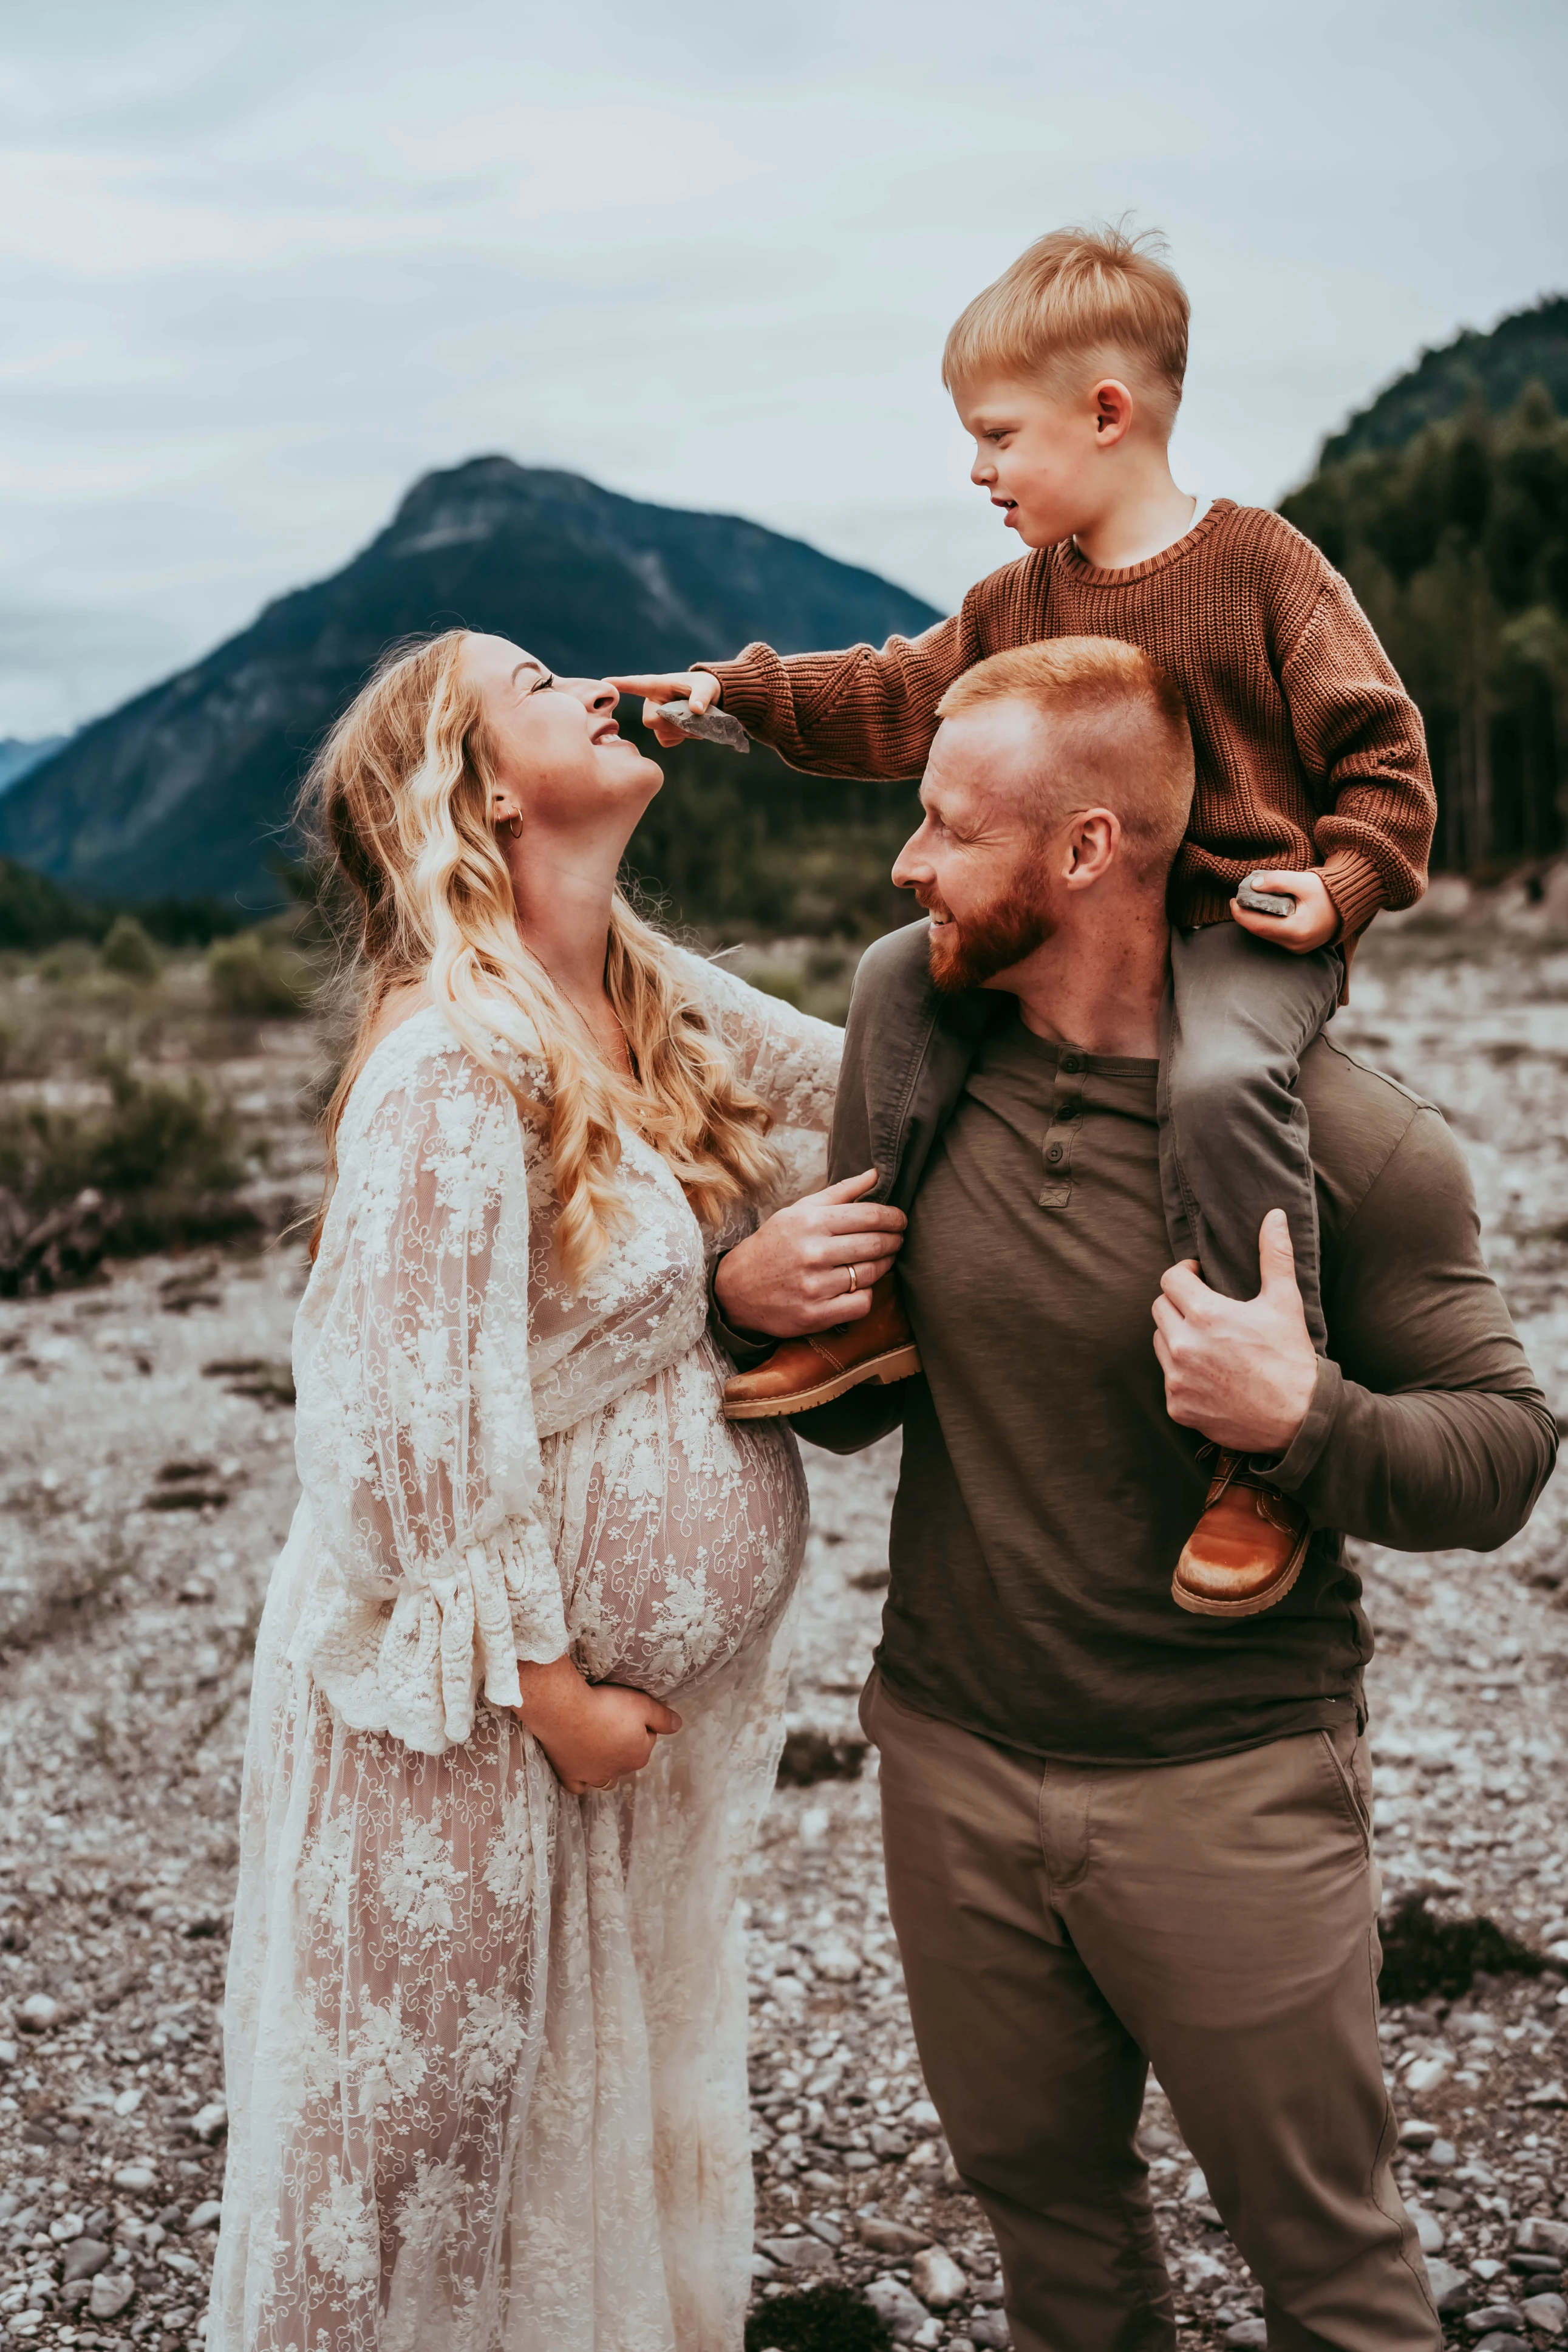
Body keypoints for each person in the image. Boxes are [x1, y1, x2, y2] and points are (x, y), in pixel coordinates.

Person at [709, 638, 1556, 2352]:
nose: (905, 861)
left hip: (1225, 1786)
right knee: (1054, 2247)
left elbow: (1502, 1451)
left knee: (1329, 2273)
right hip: (947, 1762)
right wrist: (746, 1289)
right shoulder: (927, 1066)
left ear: (1086, 851)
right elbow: (858, 1420)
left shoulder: (1347, 1144)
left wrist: (1299, 1416)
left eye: (948, 829)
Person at [208, 629, 899, 2352]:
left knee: (562, 2145)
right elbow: (393, 1428)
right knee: (425, 2159)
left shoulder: (630, 979)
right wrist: (544, 1688)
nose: (592, 682)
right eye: (533, 681)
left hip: (588, 1740)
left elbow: (858, 1080)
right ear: (486, 791)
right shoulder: (450, 1061)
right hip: (462, 1724)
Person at [617, 219, 1436, 1614]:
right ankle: (875, 1299)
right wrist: (739, 695)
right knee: (893, 973)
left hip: (1246, 931)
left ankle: (1258, 1452)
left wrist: (1343, 881)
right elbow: (890, 693)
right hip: (1073, 931)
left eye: (998, 436)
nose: (978, 470)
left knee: (1229, 1077)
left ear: (1105, 413)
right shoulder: (1018, 601)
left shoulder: (1263, 567)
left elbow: (1387, 755)